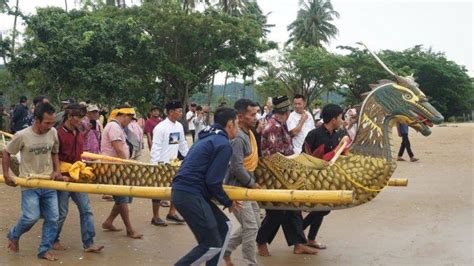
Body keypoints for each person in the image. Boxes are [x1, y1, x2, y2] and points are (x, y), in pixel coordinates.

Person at [172, 107, 243, 266]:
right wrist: (228, 202)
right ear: (230, 124)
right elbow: (213, 181)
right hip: (190, 193)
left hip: (185, 192)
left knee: (224, 226)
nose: (237, 128)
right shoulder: (223, 144)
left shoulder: (205, 137)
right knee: (211, 245)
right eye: (237, 124)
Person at [256, 95, 318, 256]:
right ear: (286, 113)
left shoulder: (280, 125)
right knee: (277, 211)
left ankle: (298, 244)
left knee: (293, 209)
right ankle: (261, 242)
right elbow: (275, 158)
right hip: (275, 176)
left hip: (286, 174)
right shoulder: (272, 127)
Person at [3, 102, 64, 261]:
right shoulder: (23, 135)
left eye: (52, 123)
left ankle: (44, 250)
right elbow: (6, 152)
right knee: (31, 217)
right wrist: (6, 174)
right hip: (29, 182)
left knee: (53, 218)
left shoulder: (53, 133)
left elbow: (55, 152)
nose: (50, 126)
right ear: (36, 120)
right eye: (47, 123)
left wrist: (57, 170)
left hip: (48, 182)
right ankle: (13, 234)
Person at [53, 104, 104, 253]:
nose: (81, 120)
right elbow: (53, 155)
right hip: (64, 177)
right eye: (79, 117)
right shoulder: (57, 133)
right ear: (70, 117)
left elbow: (80, 155)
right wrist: (59, 174)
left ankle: (89, 243)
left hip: (77, 176)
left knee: (86, 209)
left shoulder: (79, 133)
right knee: (62, 212)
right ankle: (53, 239)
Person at [302, 104, 347, 250]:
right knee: (323, 208)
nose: (342, 120)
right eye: (340, 117)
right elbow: (305, 156)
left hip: (329, 179)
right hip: (313, 178)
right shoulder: (314, 134)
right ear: (333, 119)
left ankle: (311, 238)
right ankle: (300, 231)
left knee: (323, 208)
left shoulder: (338, 135)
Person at [223, 99, 261, 266]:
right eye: (252, 114)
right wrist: (252, 183)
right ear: (240, 116)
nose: (256, 117)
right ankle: (250, 263)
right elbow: (237, 167)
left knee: (255, 224)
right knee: (251, 226)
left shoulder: (249, 133)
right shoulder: (238, 138)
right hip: (237, 188)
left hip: (246, 186)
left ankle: (225, 251)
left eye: (256, 113)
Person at [100, 105, 143, 239]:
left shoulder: (117, 127)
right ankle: (129, 229)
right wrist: (127, 165)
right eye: (129, 119)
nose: (130, 122)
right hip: (114, 167)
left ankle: (109, 221)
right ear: (123, 116)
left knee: (123, 197)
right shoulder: (114, 127)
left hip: (118, 166)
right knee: (123, 198)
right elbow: (118, 149)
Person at [149, 101, 188, 226]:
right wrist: (155, 165)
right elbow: (156, 147)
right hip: (161, 164)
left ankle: (172, 212)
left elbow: (182, 144)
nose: (181, 113)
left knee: (176, 188)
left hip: (174, 163)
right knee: (158, 191)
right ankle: (155, 217)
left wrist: (188, 158)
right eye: (179, 111)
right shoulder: (161, 127)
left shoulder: (179, 126)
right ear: (171, 112)